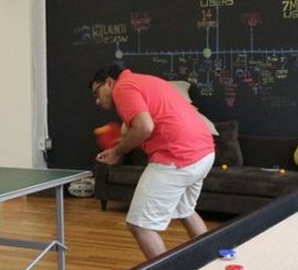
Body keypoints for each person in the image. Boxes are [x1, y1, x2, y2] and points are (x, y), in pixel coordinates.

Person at [90, 65, 215, 259]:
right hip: (205, 153)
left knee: (139, 225)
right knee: (185, 210)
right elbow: (148, 123)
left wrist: (116, 151)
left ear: (109, 82)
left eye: (97, 92)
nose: (97, 100)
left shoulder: (123, 87)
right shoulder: (146, 80)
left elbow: (145, 127)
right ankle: (211, 260)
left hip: (178, 157)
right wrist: (123, 139)